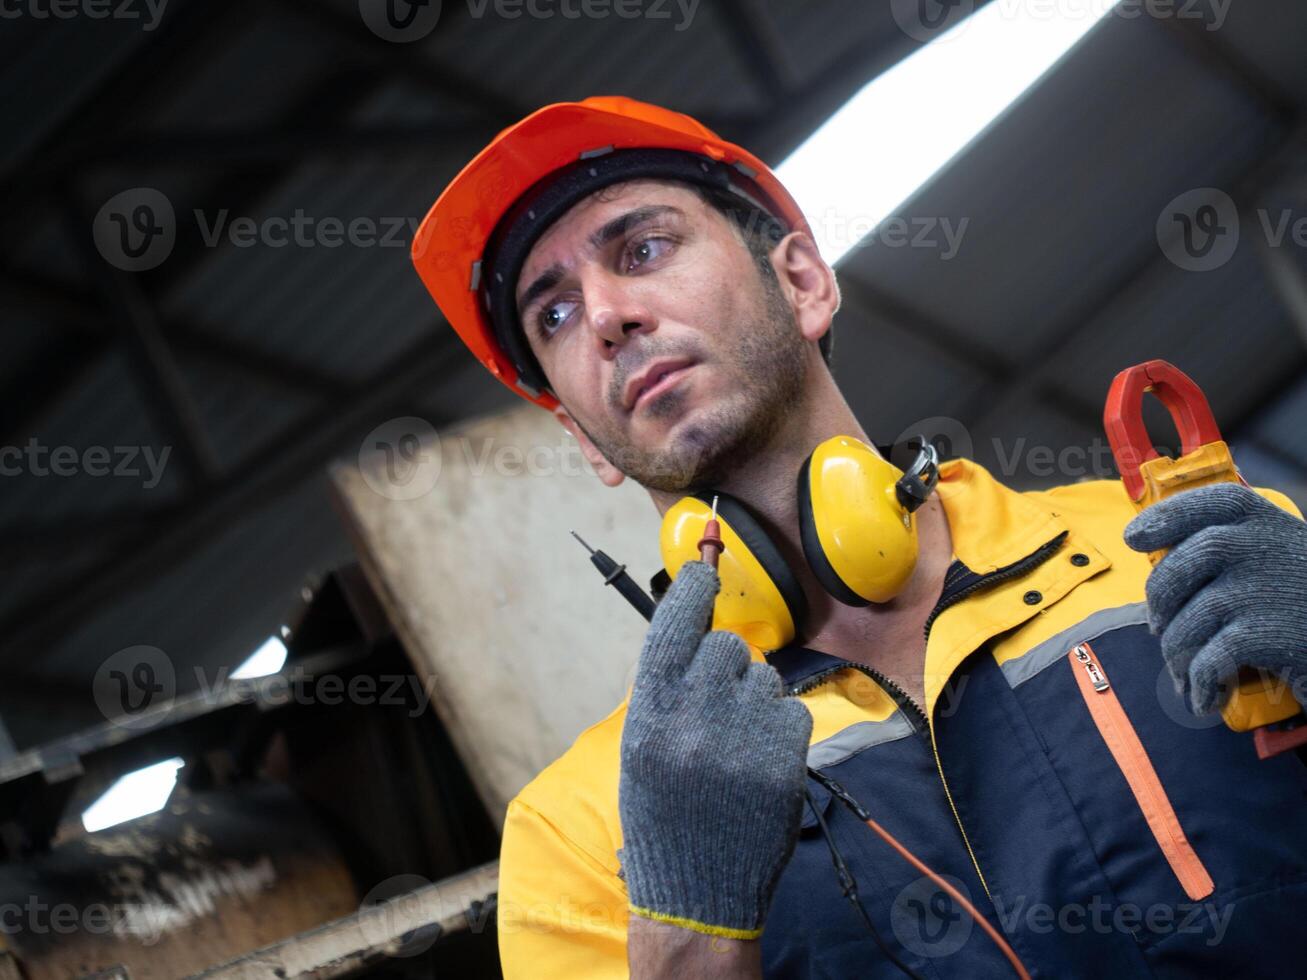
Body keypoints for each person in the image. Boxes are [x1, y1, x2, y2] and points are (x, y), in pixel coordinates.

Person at [411, 97, 1307, 978]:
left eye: (642, 249)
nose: (606, 315)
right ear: (580, 437)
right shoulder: (583, 830)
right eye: (554, 316)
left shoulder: (1182, 546)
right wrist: (684, 925)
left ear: (802, 282)